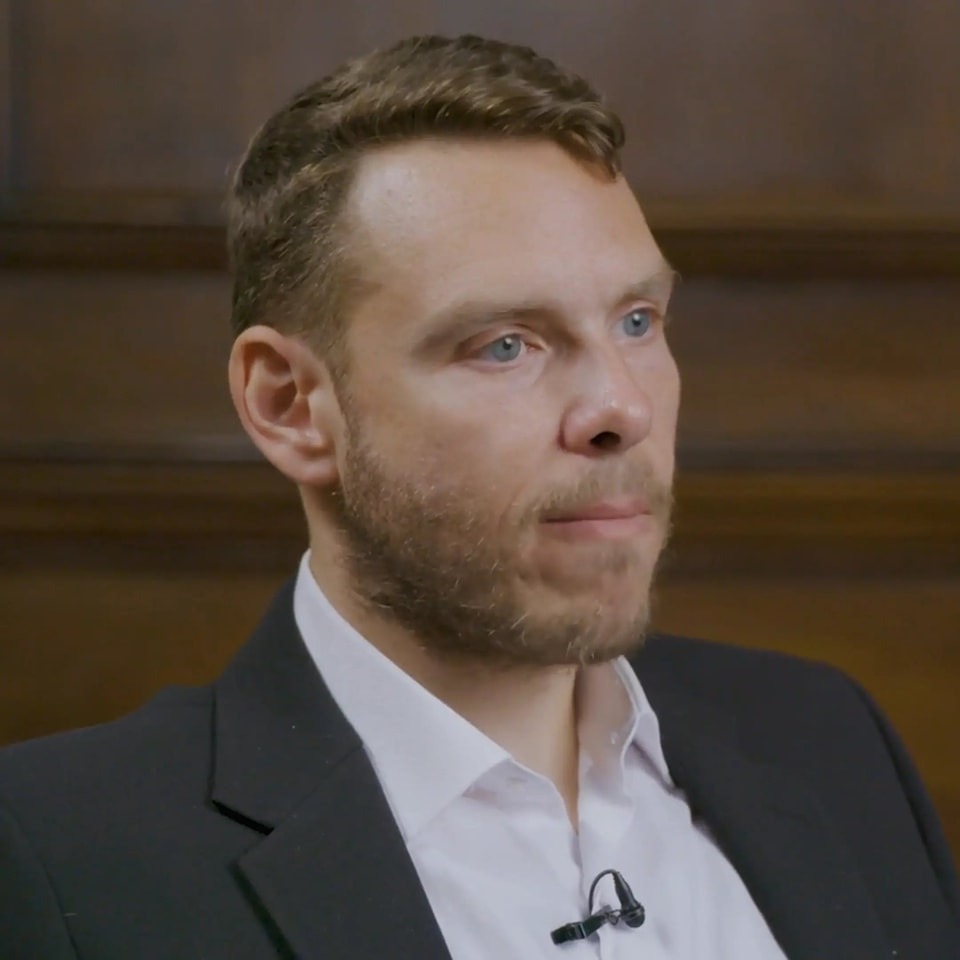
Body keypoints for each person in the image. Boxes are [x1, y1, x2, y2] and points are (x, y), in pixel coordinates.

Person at [1, 33, 957, 960]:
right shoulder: (55, 854)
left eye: (637, 321)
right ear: (290, 405)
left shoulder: (825, 737)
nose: (621, 408)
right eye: (505, 344)